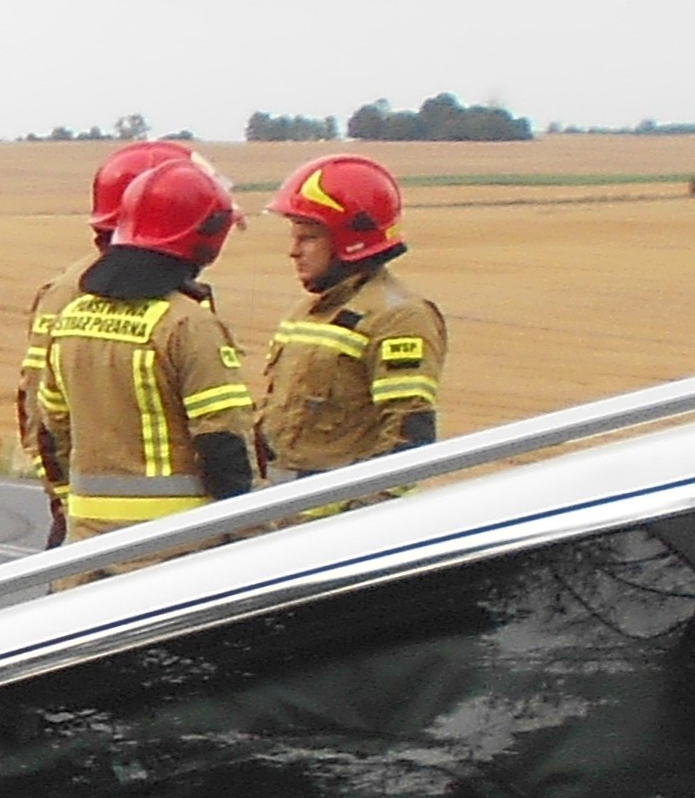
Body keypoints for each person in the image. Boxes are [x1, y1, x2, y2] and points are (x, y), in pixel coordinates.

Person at [27, 152, 259, 531]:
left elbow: (51, 430)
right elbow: (222, 442)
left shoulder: (70, 319)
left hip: (89, 538)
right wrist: (247, 530)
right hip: (174, 542)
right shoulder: (188, 324)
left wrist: (71, 507)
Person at [22, 140, 193, 536]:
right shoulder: (76, 292)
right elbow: (40, 412)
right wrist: (66, 501)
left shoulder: (167, 291)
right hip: (110, 523)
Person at [254, 152, 445, 476]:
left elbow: (407, 435)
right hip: (283, 503)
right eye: (294, 237)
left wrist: (365, 505)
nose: (293, 251)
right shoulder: (305, 312)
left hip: (338, 507)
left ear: (352, 238)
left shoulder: (399, 318)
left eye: (308, 237)